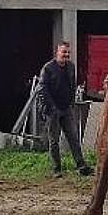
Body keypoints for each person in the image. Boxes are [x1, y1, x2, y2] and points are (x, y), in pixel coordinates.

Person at [38, 41, 93, 177]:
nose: (66, 55)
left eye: (68, 53)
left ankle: (81, 166)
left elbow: (72, 86)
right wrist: (51, 107)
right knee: (54, 140)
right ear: (57, 52)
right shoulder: (48, 68)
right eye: (63, 52)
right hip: (53, 109)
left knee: (73, 138)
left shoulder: (71, 67)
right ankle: (56, 169)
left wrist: (71, 103)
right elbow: (42, 89)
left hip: (66, 108)